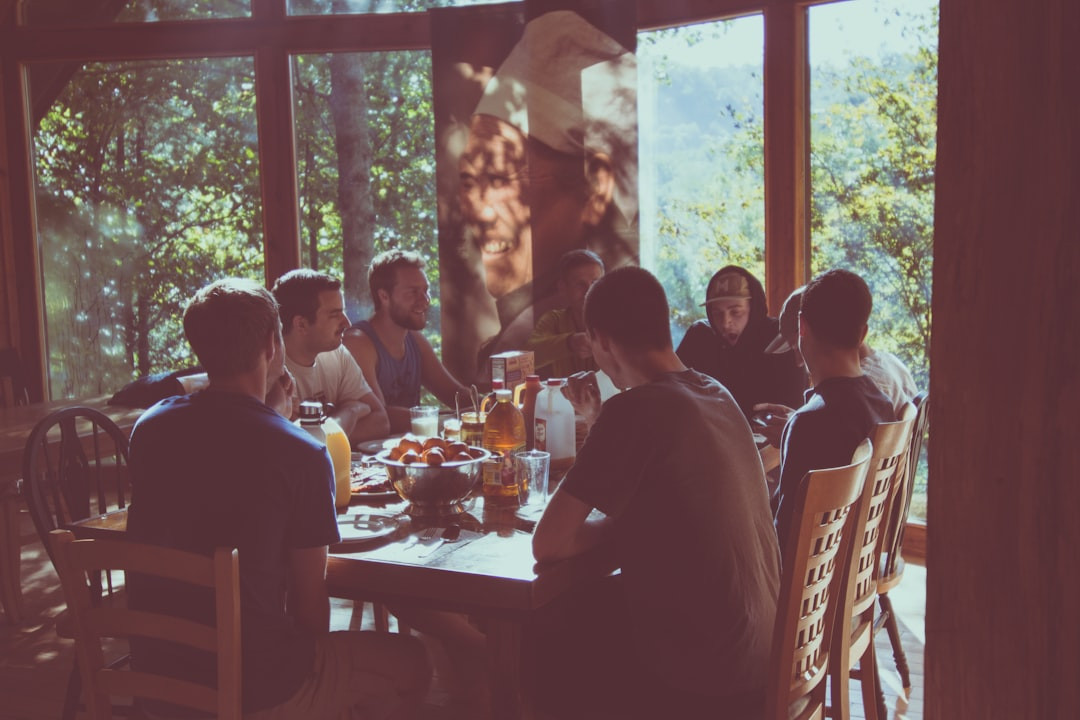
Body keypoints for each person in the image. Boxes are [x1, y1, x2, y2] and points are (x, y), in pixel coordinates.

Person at [125, 278, 430, 718]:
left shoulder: (150, 429)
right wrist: (275, 422)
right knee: (413, 662)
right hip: (256, 688)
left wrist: (270, 414)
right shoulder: (300, 452)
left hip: (159, 675)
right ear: (273, 343)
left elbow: (220, 459)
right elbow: (310, 606)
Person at [531, 267, 780, 719]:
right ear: (663, 327)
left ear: (600, 340)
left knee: (547, 631)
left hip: (708, 679)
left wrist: (620, 524)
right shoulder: (714, 391)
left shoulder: (634, 410)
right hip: (766, 657)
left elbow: (549, 544)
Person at [455, 10, 638, 381]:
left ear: (595, 187)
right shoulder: (542, 324)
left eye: (501, 176)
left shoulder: (618, 327)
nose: (480, 212)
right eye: (470, 182)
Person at [763, 269, 897, 552]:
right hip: (847, 574)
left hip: (802, 593)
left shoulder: (808, 423)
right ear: (863, 333)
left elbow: (784, 541)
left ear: (801, 328)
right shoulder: (883, 406)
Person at [344, 250, 471, 433]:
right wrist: (453, 420)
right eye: (413, 292)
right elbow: (381, 416)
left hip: (411, 454)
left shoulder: (414, 339)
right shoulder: (358, 343)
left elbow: (455, 394)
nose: (425, 300)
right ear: (384, 297)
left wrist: (493, 404)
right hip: (367, 459)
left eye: (425, 291)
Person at [761, 285, 919, 418]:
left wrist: (800, 429)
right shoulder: (890, 363)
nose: (798, 361)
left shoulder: (866, 388)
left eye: (798, 347)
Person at [272, 269, 390, 445]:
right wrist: (351, 411)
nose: (347, 323)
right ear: (301, 324)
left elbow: (381, 421)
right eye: (335, 315)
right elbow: (298, 445)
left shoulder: (337, 353)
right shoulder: (270, 369)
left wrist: (323, 433)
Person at [676, 265, 806, 418]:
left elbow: (794, 410)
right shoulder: (700, 339)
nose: (725, 323)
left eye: (736, 312)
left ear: (754, 308)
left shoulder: (780, 340)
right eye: (716, 313)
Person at [524, 248, 604, 378]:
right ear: (563, 288)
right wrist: (569, 343)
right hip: (567, 396)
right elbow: (527, 359)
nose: (589, 291)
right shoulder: (554, 320)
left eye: (595, 283)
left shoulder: (616, 319)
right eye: (580, 284)